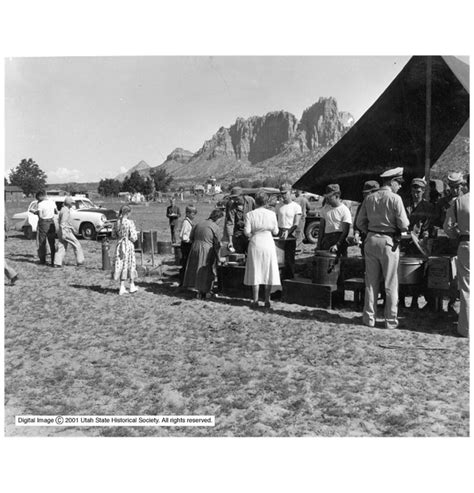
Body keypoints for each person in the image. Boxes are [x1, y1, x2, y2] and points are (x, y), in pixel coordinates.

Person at [356, 167, 410, 329]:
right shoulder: (395, 199)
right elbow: (404, 224)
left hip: (371, 240)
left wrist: (370, 231)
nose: (399, 186)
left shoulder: (370, 198)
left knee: (371, 282)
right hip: (389, 242)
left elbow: (359, 223)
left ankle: (369, 318)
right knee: (390, 283)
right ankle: (390, 320)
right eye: (398, 183)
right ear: (391, 181)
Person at [244, 192, 281, 309]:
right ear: (266, 202)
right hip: (268, 242)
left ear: (256, 201)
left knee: (256, 269)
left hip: (255, 242)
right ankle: (267, 300)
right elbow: (276, 231)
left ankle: (255, 300)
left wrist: (252, 234)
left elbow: (246, 231)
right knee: (268, 270)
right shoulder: (272, 214)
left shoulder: (250, 214)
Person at [444, 189, 470, 337]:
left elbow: (448, 227)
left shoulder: (459, 201)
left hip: (466, 243)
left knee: (467, 287)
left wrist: (457, 236)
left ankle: (466, 329)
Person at [183, 208, 223, 299]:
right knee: (206, 270)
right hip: (206, 249)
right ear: (218, 218)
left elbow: (191, 237)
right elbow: (217, 243)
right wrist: (219, 258)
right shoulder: (215, 227)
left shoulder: (199, 223)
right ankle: (206, 292)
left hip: (195, 248)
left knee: (196, 269)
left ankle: (198, 291)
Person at [317, 184, 352, 257]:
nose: (327, 199)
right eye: (326, 197)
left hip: (339, 239)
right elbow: (321, 228)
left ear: (337, 196)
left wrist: (337, 244)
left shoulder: (344, 210)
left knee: (340, 263)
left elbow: (345, 231)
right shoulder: (325, 209)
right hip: (327, 239)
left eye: (330, 197)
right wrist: (319, 244)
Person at [112, 205, 139, 295]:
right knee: (130, 263)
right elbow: (134, 237)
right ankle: (131, 285)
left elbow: (113, 235)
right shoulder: (130, 222)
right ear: (127, 213)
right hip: (128, 245)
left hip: (120, 245)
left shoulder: (117, 222)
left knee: (121, 264)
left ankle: (122, 286)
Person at [53, 196, 85, 267]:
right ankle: (80, 261)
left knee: (61, 245)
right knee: (76, 244)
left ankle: (57, 262)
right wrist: (64, 232)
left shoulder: (63, 209)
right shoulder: (66, 211)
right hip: (66, 230)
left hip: (62, 231)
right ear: (69, 203)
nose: (72, 205)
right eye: (72, 203)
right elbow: (63, 222)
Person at [224, 186, 255, 252]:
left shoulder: (250, 201)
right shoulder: (232, 206)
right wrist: (230, 241)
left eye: (235, 197)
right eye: (232, 198)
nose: (234, 200)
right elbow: (230, 223)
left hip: (251, 233)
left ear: (241, 195)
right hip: (238, 234)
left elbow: (257, 213)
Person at [353, 180, 380, 256]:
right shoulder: (361, 206)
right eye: (363, 194)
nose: (364, 196)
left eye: (366, 194)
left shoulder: (382, 205)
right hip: (366, 239)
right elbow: (357, 224)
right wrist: (356, 234)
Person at [34, 191, 58, 265]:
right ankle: (54, 260)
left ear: (40, 197)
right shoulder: (52, 202)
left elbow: (41, 215)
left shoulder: (40, 204)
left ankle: (42, 260)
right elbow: (56, 212)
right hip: (51, 222)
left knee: (42, 242)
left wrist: (36, 212)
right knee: (52, 242)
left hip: (43, 222)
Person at [178, 205, 197, 286]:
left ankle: (185, 281)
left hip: (187, 244)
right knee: (185, 263)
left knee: (187, 263)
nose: (194, 216)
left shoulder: (189, 222)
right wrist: (191, 241)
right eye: (193, 214)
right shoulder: (186, 223)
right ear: (188, 213)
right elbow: (183, 236)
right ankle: (182, 282)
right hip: (186, 245)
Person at [293, 189, 310, 254]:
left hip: (296, 218)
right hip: (302, 218)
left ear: (297, 193)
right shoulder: (304, 199)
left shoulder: (295, 200)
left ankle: (298, 247)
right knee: (300, 232)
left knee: (297, 232)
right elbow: (309, 207)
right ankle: (298, 249)